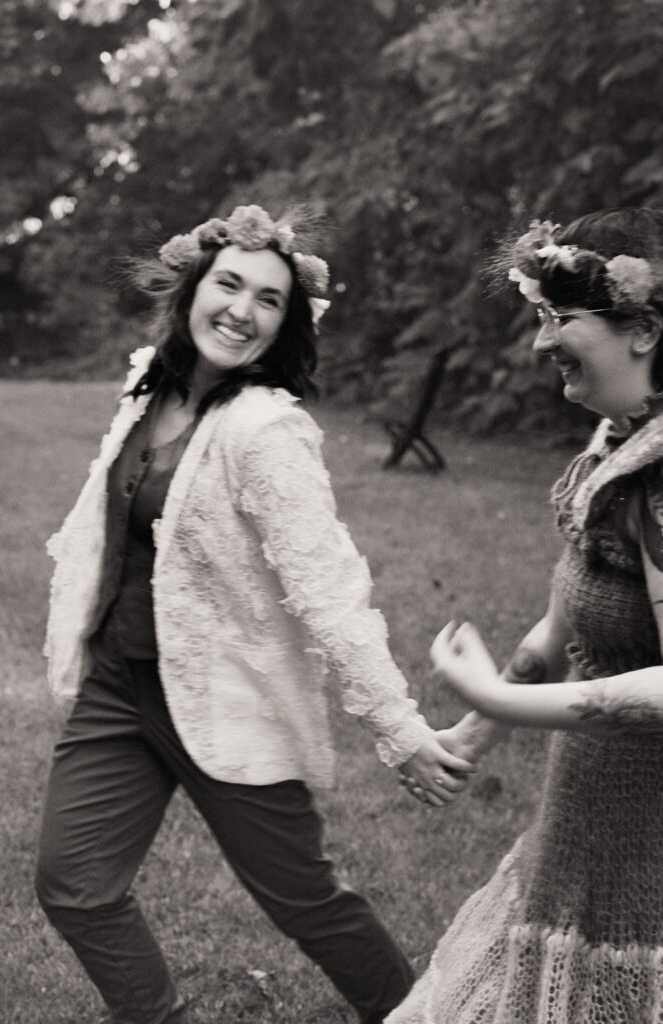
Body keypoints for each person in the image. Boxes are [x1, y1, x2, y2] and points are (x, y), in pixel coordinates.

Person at [34, 204, 473, 1024]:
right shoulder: (148, 384)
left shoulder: (266, 431)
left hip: (225, 698)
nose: (242, 309)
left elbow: (328, 589)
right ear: (192, 288)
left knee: (306, 901)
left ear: (285, 324)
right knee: (74, 885)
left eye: (269, 299)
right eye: (229, 284)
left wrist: (401, 728)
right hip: (121, 688)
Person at [387, 206, 663, 1024]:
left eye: (560, 320)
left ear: (643, 329)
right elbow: (560, 628)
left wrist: (503, 702)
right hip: (588, 821)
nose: (541, 344)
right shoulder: (618, 445)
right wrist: (470, 736)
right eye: (539, 318)